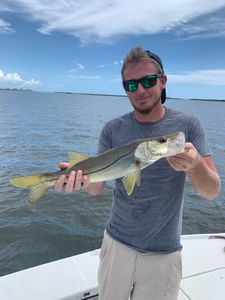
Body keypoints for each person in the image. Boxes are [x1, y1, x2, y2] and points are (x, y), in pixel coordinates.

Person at [55, 47, 221, 300]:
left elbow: (212, 192)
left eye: (147, 81)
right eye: (131, 84)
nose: (140, 90)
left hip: (163, 253)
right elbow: (96, 188)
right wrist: (79, 182)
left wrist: (195, 164)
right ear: (124, 88)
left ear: (163, 81)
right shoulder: (112, 129)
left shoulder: (188, 125)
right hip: (116, 244)